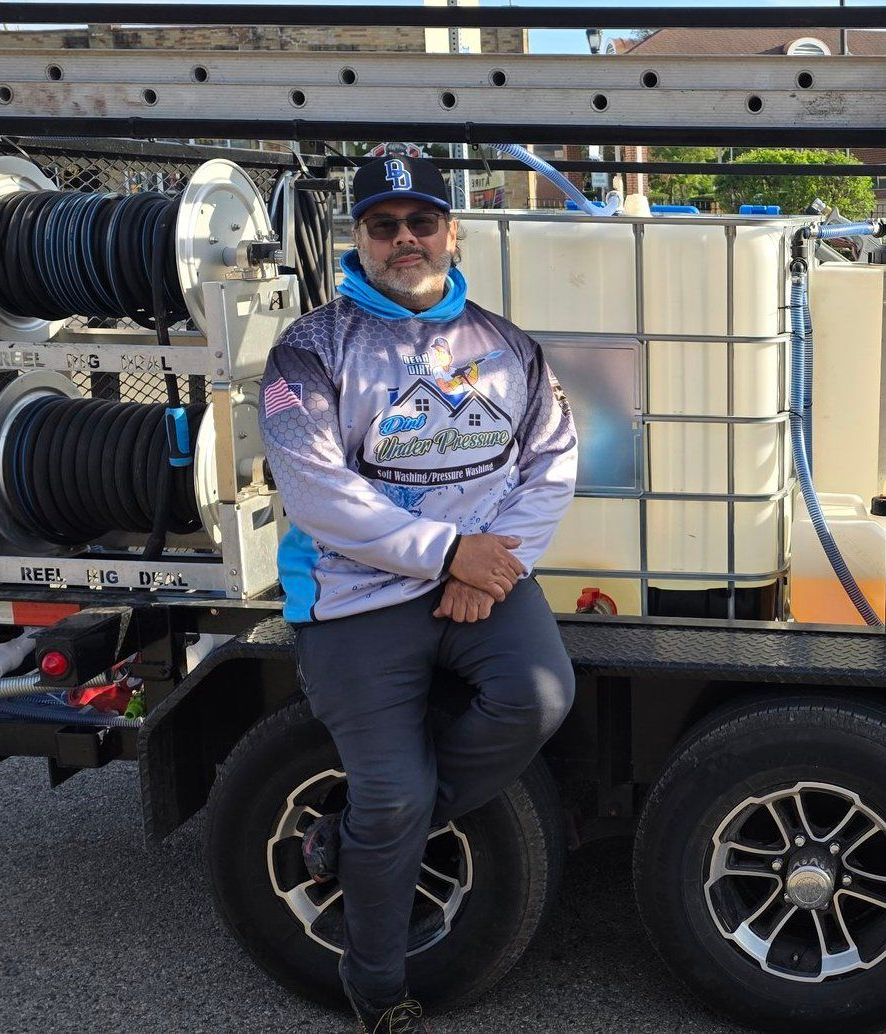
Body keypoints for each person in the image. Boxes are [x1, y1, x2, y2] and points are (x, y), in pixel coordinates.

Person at [258, 151, 578, 1033]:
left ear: (453, 229)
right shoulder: (306, 353)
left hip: (481, 580)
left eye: (422, 222)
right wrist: (449, 557)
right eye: (384, 225)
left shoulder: (508, 344)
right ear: (356, 238)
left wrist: (493, 564)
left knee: (541, 695)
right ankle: (376, 988)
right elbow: (320, 494)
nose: (406, 239)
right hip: (355, 597)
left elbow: (551, 461)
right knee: (392, 798)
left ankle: (355, 840)